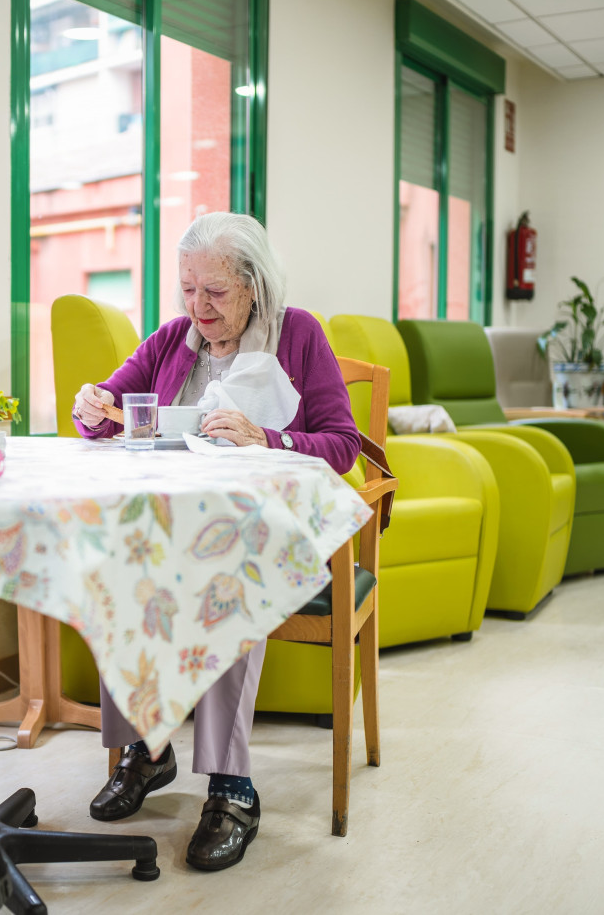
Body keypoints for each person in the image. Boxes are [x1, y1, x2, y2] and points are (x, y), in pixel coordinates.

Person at [71, 211, 361, 872]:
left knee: (226, 575)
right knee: (116, 565)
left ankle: (233, 787)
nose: (197, 306)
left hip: (266, 537)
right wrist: (90, 406)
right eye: (187, 289)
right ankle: (147, 749)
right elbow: (108, 411)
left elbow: (342, 445)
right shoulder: (171, 341)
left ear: (253, 285)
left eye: (216, 291)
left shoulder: (298, 335)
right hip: (173, 528)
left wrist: (270, 437)